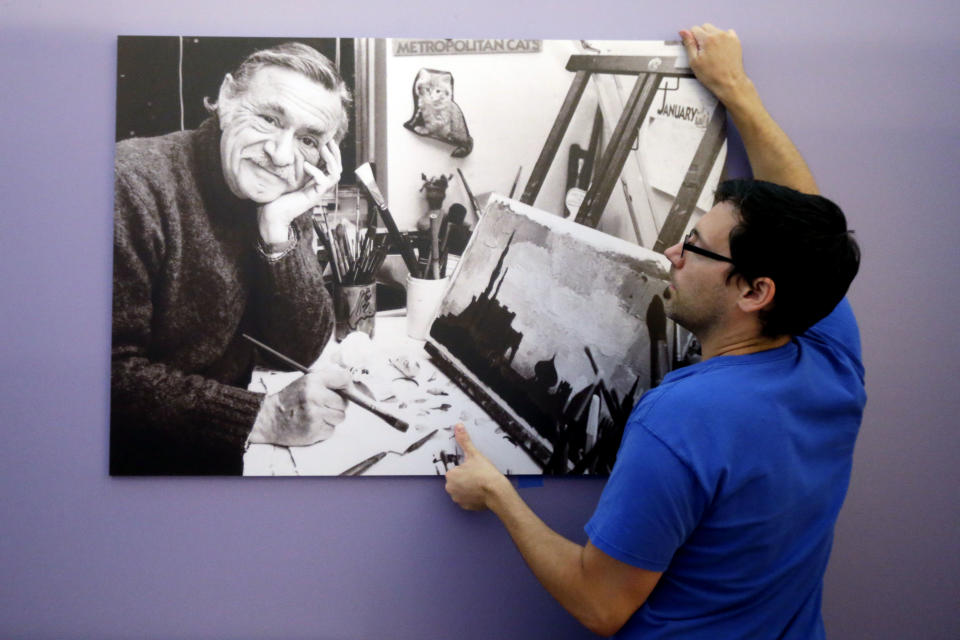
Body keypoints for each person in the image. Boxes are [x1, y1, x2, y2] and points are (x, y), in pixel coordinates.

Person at [445, 24, 865, 638]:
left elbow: (601, 603)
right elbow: (807, 218)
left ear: (754, 291)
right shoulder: (831, 356)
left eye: (695, 247)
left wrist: (498, 495)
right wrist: (736, 90)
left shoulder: (680, 418)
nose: (670, 251)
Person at [111, 43, 354, 475]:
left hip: (217, 445)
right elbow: (103, 377)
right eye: (268, 118)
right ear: (226, 99)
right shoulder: (128, 182)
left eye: (309, 139)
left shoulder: (280, 195)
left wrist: (278, 231)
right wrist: (264, 416)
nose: (281, 155)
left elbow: (296, 350)